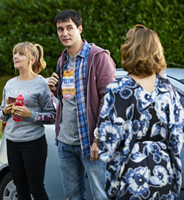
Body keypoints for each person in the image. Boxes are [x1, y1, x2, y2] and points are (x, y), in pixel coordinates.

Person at [97, 24, 184, 199]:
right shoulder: (168, 91)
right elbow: (177, 138)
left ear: (129, 49)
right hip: (163, 173)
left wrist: (112, 184)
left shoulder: (117, 90)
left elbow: (108, 144)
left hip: (129, 174)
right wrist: (175, 176)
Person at [47, 10, 115, 200]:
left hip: (91, 143)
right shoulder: (63, 60)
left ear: (80, 29)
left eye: (69, 28)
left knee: (101, 196)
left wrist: (98, 139)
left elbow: (108, 100)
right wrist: (56, 90)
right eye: (60, 29)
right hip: (66, 142)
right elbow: (69, 99)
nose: (64, 33)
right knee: (73, 197)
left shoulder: (98, 57)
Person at [0, 42, 56, 200]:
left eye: (21, 54)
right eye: (15, 53)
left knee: (36, 189)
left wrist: (30, 113)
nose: (15, 57)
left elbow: (53, 116)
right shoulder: (10, 84)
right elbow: (0, 114)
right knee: (20, 189)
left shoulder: (42, 84)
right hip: (12, 143)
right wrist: (6, 110)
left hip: (33, 143)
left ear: (32, 59)